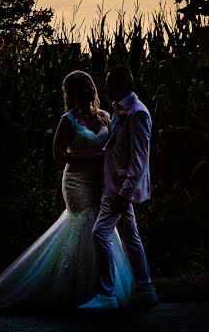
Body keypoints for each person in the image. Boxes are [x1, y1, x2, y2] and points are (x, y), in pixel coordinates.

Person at [0, 70, 134, 313]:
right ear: (72, 93)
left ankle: (102, 289)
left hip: (100, 182)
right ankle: (76, 289)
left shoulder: (105, 117)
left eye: (88, 87)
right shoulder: (68, 120)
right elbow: (59, 155)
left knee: (101, 228)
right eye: (80, 89)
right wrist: (94, 158)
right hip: (77, 182)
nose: (87, 92)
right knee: (83, 224)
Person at [78, 64, 158, 311]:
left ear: (123, 84)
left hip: (119, 188)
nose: (107, 87)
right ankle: (146, 288)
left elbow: (139, 159)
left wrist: (125, 193)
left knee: (100, 233)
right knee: (130, 236)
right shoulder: (121, 111)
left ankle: (107, 294)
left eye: (111, 82)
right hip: (112, 184)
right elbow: (114, 148)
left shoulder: (137, 113)